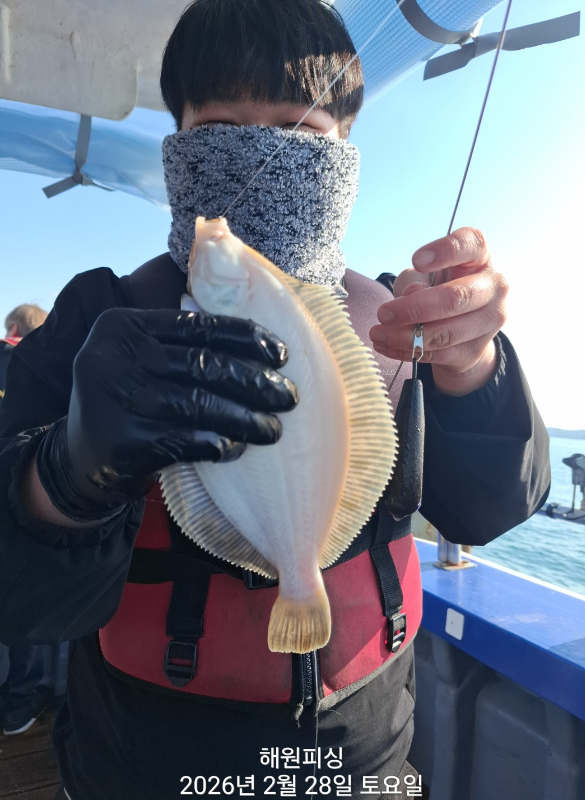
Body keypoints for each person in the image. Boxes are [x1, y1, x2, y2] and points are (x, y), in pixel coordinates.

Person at [0, 1, 550, 797]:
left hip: (361, 761)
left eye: (299, 131)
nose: (258, 154)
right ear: (179, 143)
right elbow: (17, 599)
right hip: (143, 760)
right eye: (220, 126)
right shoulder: (100, 318)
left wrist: (474, 367)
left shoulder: (401, 320)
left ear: (346, 149)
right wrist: (64, 472)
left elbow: (490, 509)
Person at [0, 304, 53, 736]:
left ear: (13, 326)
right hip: (36, 501)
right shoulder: (57, 363)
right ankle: (21, 705)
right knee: (35, 602)